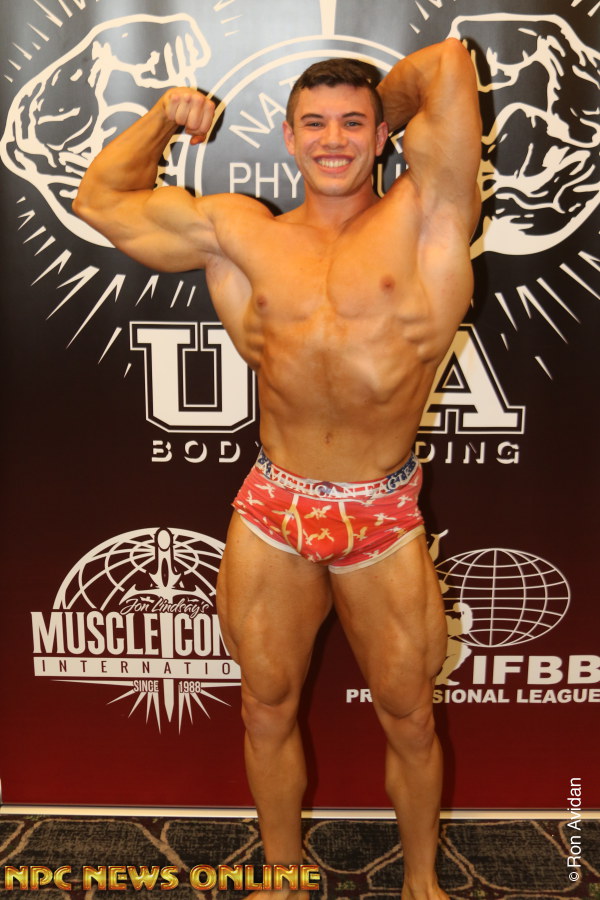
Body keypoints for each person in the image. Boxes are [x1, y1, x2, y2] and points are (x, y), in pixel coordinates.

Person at [74, 37, 481, 900]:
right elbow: (100, 200)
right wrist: (164, 116)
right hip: (274, 506)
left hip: (379, 513)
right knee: (264, 705)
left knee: (410, 717)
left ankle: (421, 883)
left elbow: (447, 65)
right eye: (314, 125)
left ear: (384, 137)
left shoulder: (429, 217)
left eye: (353, 124)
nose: (333, 140)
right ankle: (283, 876)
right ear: (288, 138)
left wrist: (383, 104)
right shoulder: (239, 233)